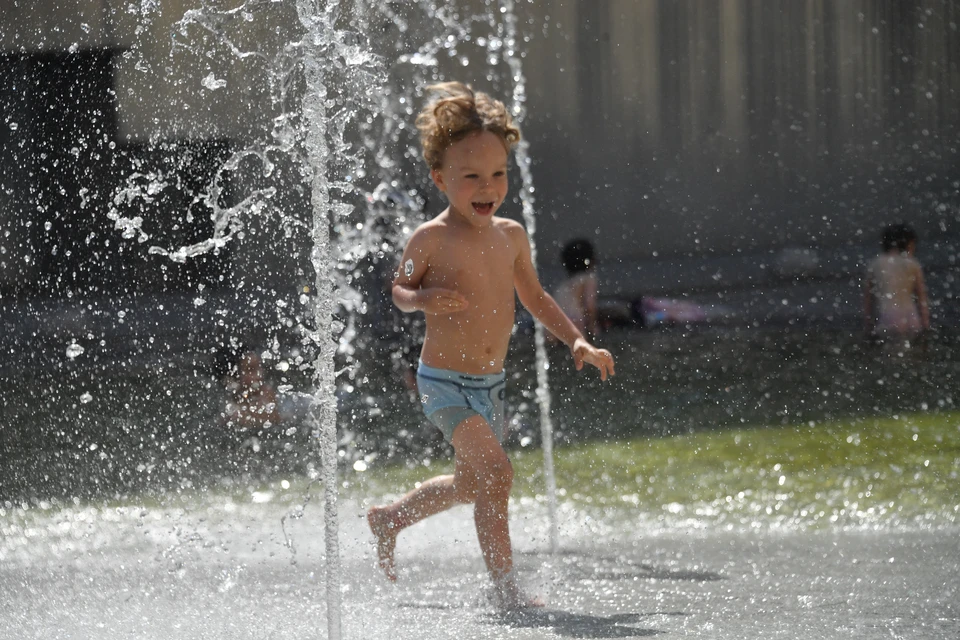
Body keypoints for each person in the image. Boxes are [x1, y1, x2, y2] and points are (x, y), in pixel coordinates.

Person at [365, 82, 616, 610]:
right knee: (497, 475)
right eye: (472, 176)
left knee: (470, 484)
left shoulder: (511, 236)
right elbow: (399, 290)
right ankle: (506, 591)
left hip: (490, 385)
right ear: (440, 179)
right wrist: (423, 297)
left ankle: (391, 519)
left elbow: (536, 297)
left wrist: (577, 342)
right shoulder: (429, 239)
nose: (489, 186)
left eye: (498, 173)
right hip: (443, 384)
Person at [863, 223, 930, 340]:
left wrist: (868, 327)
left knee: (889, 354)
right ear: (908, 243)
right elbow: (922, 300)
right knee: (913, 355)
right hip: (911, 318)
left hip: (888, 318)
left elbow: (868, 300)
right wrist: (925, 325)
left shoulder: (876, 264)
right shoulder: (913, 263)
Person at [552, 238, 599, 338]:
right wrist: (592, 329)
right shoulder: (588, 279)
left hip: (554, 326)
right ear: (591, 260)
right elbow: (589, 307)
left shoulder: (565, 284)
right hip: (575, 324)